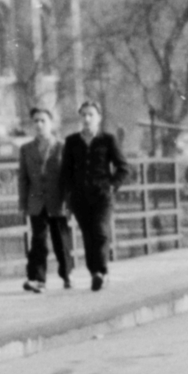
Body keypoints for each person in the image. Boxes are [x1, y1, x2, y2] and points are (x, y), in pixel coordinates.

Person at [60, 100, 131, 291]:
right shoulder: (72, 141)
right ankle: (95, 273)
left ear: (98, 118)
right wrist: (67, 199)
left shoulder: (108, 140)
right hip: (80, 197)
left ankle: (101, 270)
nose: (87, 118)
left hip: (102, 195)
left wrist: (112, 186)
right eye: (83, 115)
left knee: (100, 231)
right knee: (88, 236)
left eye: (91, 114)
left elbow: (123, 167)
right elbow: (65, 173)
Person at [19, 107, 71, 292]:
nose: (39, 124)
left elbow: (68, 177)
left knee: (60, 240)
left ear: (51, 123)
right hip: (36, 201)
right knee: (38, 240)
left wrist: (69, 202)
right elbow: (23, 178)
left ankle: (66, 275)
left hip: (57, 201)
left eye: (43, 121)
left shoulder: (62, 147)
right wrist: (23, 204)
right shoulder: (26, 149)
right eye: (36, 121)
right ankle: (37, 279)